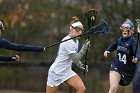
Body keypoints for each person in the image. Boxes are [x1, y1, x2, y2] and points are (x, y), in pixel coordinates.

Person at [46, 16, 90, 93]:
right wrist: (84, 48)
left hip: (67, 72)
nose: (80, 32)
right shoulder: (67, 41)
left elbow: (73, 58)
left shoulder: (76, 41)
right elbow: (76, 58)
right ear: (71, 29)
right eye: (78, 30)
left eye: (81, 30)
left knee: (81, 88)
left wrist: (80, 65)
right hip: (56, 72)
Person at [104, 19, 138, 93]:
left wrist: (136, 58)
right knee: (113, 89)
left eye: (127, 29)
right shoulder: (119, 40)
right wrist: (107, 50)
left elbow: (138, 51)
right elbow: (113, 45)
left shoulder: (133, 41)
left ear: (132, 31)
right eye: (123, 28)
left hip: (128, 71)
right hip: (116, 67)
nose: (124, 30)